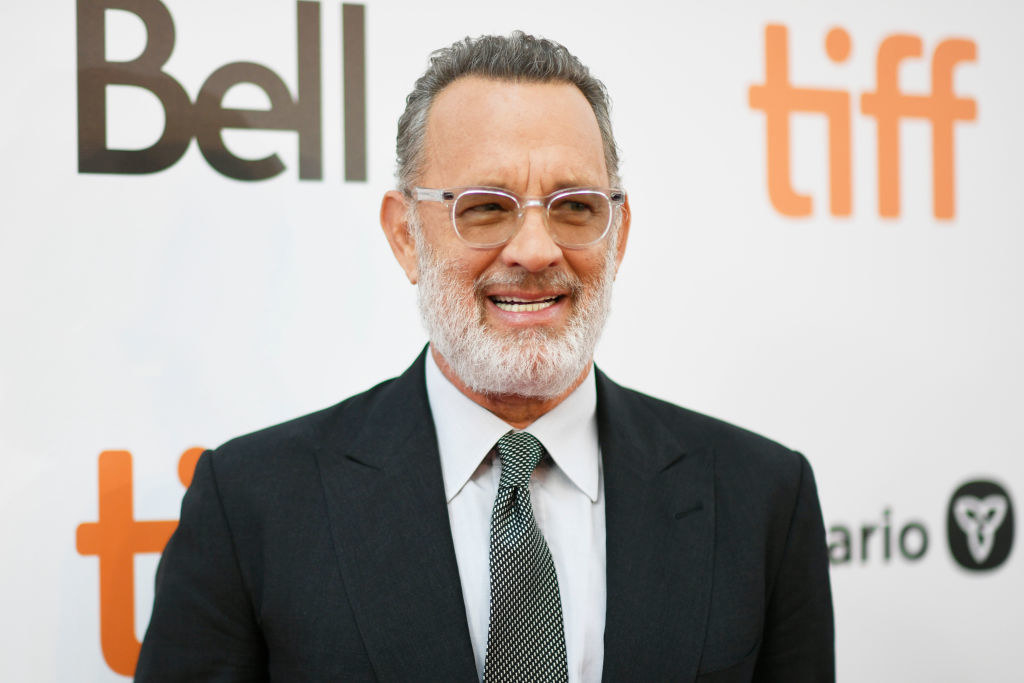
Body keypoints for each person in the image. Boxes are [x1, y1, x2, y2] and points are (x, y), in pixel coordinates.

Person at [136, 32, 834, 682]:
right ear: (406, 235)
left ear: (618, 235)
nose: (535, 249)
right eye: (486, 207)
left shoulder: (764, 498)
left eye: (575, 206)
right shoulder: (252, 504)